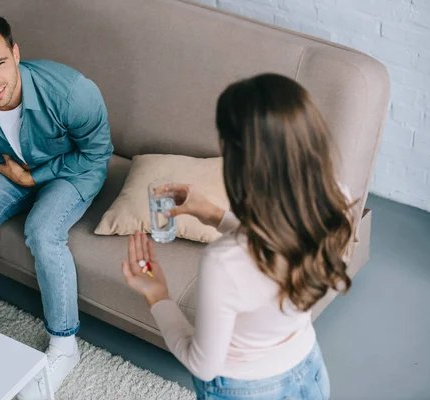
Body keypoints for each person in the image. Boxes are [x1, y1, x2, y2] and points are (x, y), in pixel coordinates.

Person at [122, 74, 356, 400]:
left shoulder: (225, 261)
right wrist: (213, 215)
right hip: (309, 370)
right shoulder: (334, 205)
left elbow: (203, 365)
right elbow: (277, 251)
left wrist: (157, 295)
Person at [0, 12, 113, 400]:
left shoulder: (71, 91)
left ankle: (65, 345)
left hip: (71, 170)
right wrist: (6, 167)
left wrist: (33, 178)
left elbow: (98, 153)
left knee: (43, 231)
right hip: (5, 163)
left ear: (16, 53)